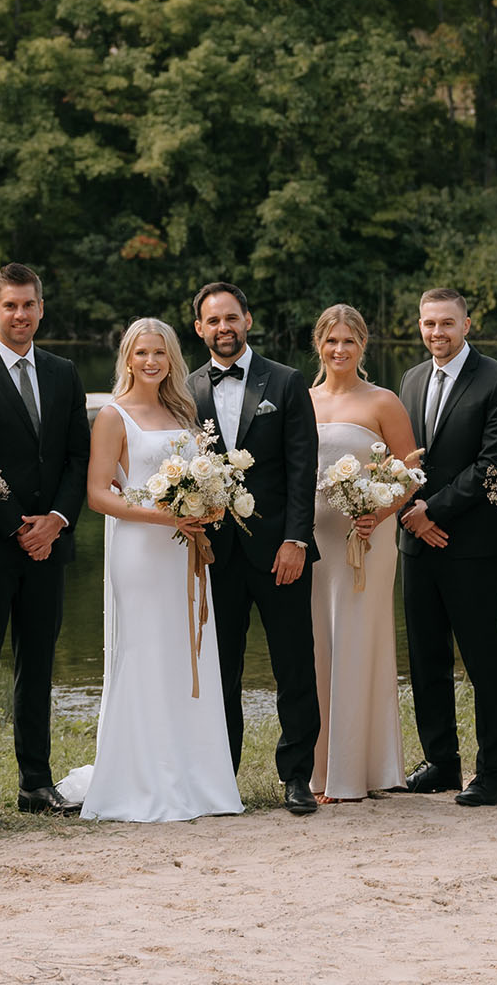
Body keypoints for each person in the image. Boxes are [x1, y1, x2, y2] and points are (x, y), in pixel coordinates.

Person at [68, 318, 246, 822]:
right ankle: (145, 778)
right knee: (146, 652)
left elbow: (206, 475)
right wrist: (166, 515)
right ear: (127, 357)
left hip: (185, 551)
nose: (151, 361)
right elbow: (99, 493)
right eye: (142, 352)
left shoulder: (184, 412)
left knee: (188, 652)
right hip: (141, 553)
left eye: (160, 354)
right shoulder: (113, 415)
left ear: (172, 360)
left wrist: (209, 507)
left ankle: (199, 778)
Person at [0, 263, 90, 827]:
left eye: (29, 305)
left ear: (41, 308)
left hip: (50, 547)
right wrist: (18, 527)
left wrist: (55, 520)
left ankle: (35, 783)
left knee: (38, 666)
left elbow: (78, 455)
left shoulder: (63, 372)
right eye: (10, 306)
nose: (20, 315)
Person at [188, 281, 323, 816]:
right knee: (221, 667)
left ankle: (297, 777)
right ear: (199, 329)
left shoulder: (286, 383)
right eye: (212, 321)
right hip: (213, 556)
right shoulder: (186, 388)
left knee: (294, 665)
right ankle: (223, 778)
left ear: (248, 319)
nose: (223, 328)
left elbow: (302, 467)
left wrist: (296, 539)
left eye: (231, 318)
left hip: (279, 551)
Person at [393, 287, 497, 808]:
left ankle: (492, 770)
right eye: (429, 324)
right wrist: (408, 515)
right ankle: (441, 761)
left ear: (466, 325)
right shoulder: (411, 378)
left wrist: (434, 511)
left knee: (484, 659)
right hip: (417, 544)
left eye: (447, 324)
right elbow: (403, 459)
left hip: (472, 544)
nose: (437, 334)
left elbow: (493, 463)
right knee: (426, 658)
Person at [306, 304, 416, 801]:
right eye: (331, 340)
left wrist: (380, 511)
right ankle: (322, 771)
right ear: (319, 344)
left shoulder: (383, 401)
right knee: (318, 649)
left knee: (356, 644)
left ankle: (360, 770)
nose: (339, 349)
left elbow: (410, 473)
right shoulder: (302, 400)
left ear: (362, 346)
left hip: (366, 541)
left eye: (349, 341)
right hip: (314, 543)